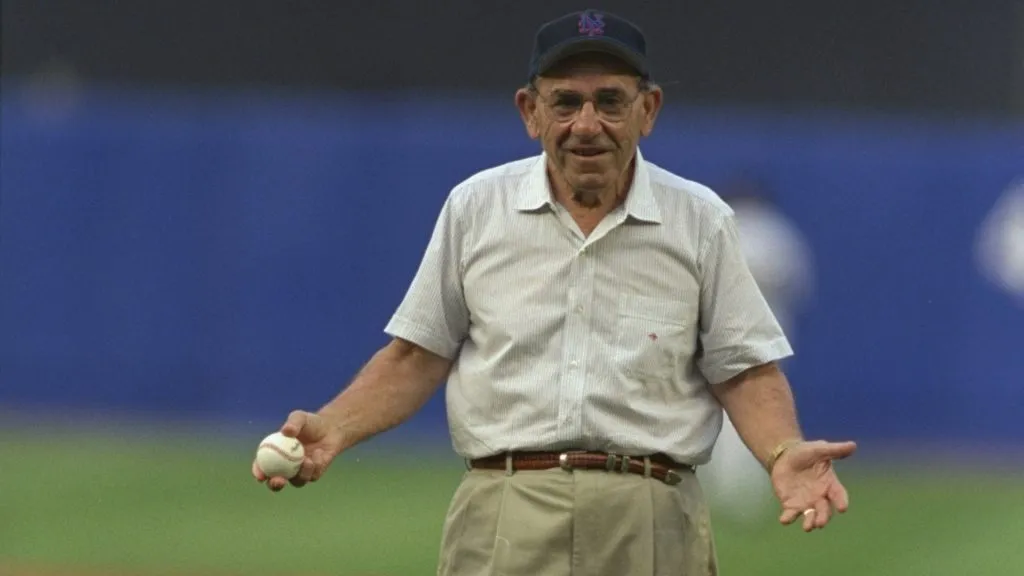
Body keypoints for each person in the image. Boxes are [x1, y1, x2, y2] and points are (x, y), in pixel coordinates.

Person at [251, 9, 856, 576]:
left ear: (649, 109)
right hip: (505, 506)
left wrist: (782, 452)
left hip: (651, 510)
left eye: (610, 102)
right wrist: (334, 427)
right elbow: (418, 355)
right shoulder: (477, 207)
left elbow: (745, 369)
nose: (586, 125)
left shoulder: (701, 219)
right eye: (565, 102)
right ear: (529, 111)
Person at [697, 175, 817, 525]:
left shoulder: (716, 224)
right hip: (762, 332)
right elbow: (799, 285)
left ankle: (721, 489)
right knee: (752, 413)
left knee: (710, 411)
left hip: (719, 333)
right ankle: (740, 493)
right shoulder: (774, 233)